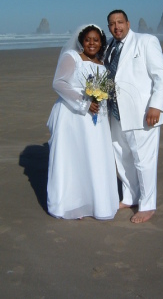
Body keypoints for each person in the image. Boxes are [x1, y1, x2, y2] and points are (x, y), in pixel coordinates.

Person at [46, 24, 119, 220]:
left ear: (101, 42)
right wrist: (84, 103)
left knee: (94, 156)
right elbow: (59, 83)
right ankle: (72, 204)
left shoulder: (102, 63)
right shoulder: (72, 57)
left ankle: (94, 202)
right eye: (88, 40)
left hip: (97, 119)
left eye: (96, 40)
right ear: (82, 41)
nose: (92, 43)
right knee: (74, 157)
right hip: (73, 116)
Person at [104, 10, 163, 224]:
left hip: (142, 114)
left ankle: (147, 205)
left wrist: (156, 106)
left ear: (128, 23)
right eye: (112, 24)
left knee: (144, 160)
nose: (117, 27)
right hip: (116, 113)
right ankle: (130, 196)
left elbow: (162, 75)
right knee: (122, 158)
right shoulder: (110, 48)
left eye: (120, 22)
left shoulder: (146, 41)